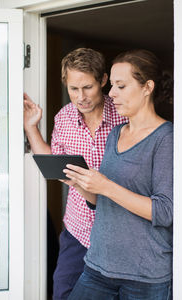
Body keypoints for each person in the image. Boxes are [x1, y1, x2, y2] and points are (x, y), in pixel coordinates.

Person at [62, 49, 173, 300]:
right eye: (112, 85)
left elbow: (165, 212)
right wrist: (81, 184)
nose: (111, 94)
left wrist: (106, 186)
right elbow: (102, 201)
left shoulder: (167, 138)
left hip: (144, 275)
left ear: (147, 87)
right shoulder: (116, 133)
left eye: (121, 86)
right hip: (98, 265)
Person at [24, 47, 128, 300]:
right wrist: (31, 128)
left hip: (119, 232)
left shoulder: (125, 115)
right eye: (73, 89)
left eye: (88, 87)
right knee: (63, 292)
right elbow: (55, 162)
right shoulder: (64, 118)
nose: (80, 97)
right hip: (78, 229)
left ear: (103, 81)